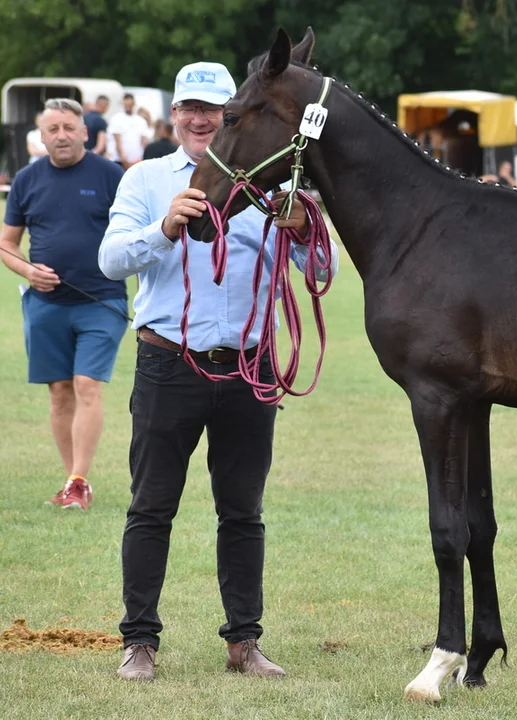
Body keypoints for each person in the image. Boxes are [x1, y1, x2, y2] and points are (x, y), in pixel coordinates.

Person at [100, 60, 339, 682]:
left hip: (248, 369)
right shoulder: (146, 179)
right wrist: (163, 226)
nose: (201, 118)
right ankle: (140, 643)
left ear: (234, 113)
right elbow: (109, 260)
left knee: (243, 512)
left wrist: (307, 231)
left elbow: (317, 276)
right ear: (173, 114)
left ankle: (244, 644)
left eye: (213, 109)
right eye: (190, 108)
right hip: (167, 363)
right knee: (151, 508)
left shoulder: (271, 181)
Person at [0, 98, 127, 510]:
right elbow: (7, 243)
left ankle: (78, 479)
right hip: (45, 303)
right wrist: (28, 271)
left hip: (102, 301)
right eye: (52, 129)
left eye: (69, 127)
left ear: (85, 132)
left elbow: (132, 234)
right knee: (59, 392)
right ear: (41, 135)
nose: (61, 136)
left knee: (87, 385)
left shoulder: (111, 176)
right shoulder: (26, 179)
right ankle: (71, 478)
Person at [108, 93, 149, 169]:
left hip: (137, 161)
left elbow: (144, 141)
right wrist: (124, 160)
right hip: (120, 161)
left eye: (130, 104)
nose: (128, 107)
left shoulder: (141, 121)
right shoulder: (117, 119)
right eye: (126, 104)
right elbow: (118, 142)